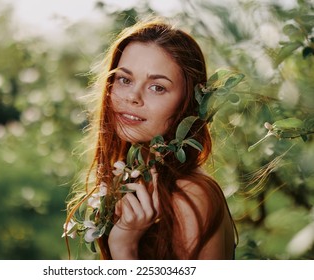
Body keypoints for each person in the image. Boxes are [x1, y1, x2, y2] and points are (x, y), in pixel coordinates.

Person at [64, 17, 237, 260]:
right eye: (125, 79)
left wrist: (125, 248)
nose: (133, 96)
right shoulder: (132, 174)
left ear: (186, 103)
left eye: (157, 87)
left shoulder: (189, 195)